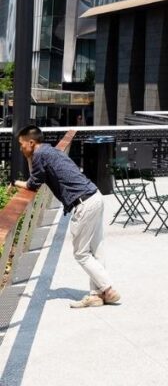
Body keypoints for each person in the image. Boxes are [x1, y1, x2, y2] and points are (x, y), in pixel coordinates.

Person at [14, 124, 120, 309]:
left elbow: (33, 184)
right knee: (96, 249)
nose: (21, 149)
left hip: (83, 204)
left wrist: (15, 182)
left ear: (31, 143)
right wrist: (29, 157)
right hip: (94, 196)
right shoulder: (49, 151)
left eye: (22, 144)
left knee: (81, 254)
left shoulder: (39, 155)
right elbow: (37, 177)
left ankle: (108, 289)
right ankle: (96, 295)